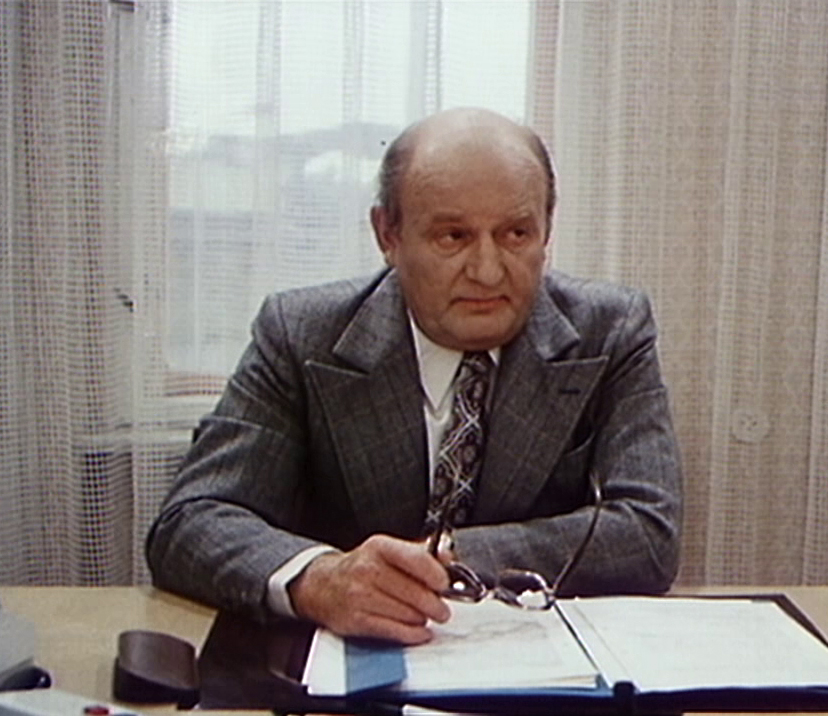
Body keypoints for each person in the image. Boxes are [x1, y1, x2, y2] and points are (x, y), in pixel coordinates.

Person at [146, 107, 682, 646]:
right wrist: (320, 579)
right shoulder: (301, 335)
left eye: (517, 234)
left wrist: (442, 558)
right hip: (347, 662)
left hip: (539, 662)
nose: (488, 271)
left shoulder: (610, 332)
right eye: (453, 237)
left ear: (547, 230)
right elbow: (192, 521)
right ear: (388, 234)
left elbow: (648, 534)